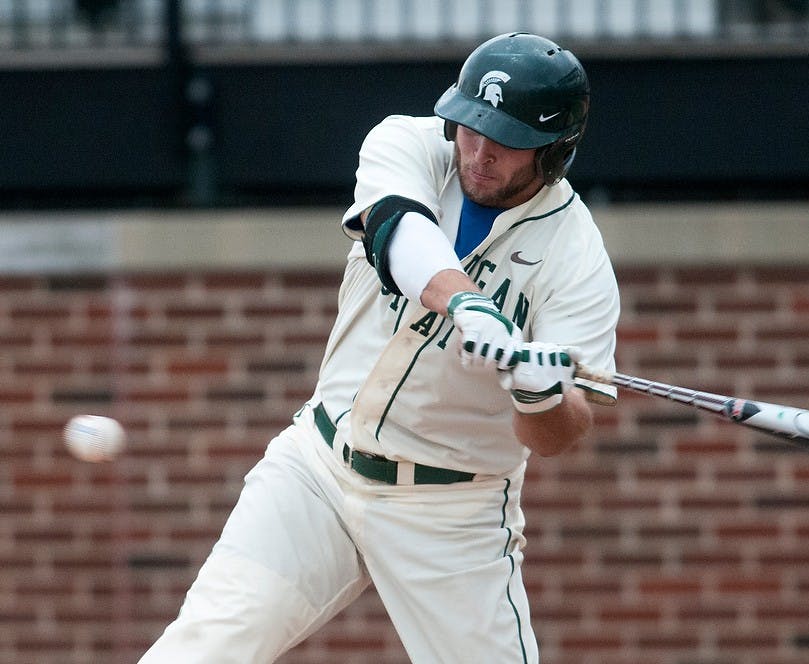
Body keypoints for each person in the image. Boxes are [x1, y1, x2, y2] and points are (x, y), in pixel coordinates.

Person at [139, 32, 619, 664]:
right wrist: (468, 304)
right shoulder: (408, 142)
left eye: (507, 142)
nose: (478, 152)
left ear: (554, 151)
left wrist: (539, 394)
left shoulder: (576, 257)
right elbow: (397, 227)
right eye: (472, 127)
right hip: (318, 470)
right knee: (197, 651)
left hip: (451, 511)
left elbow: (562, 432)